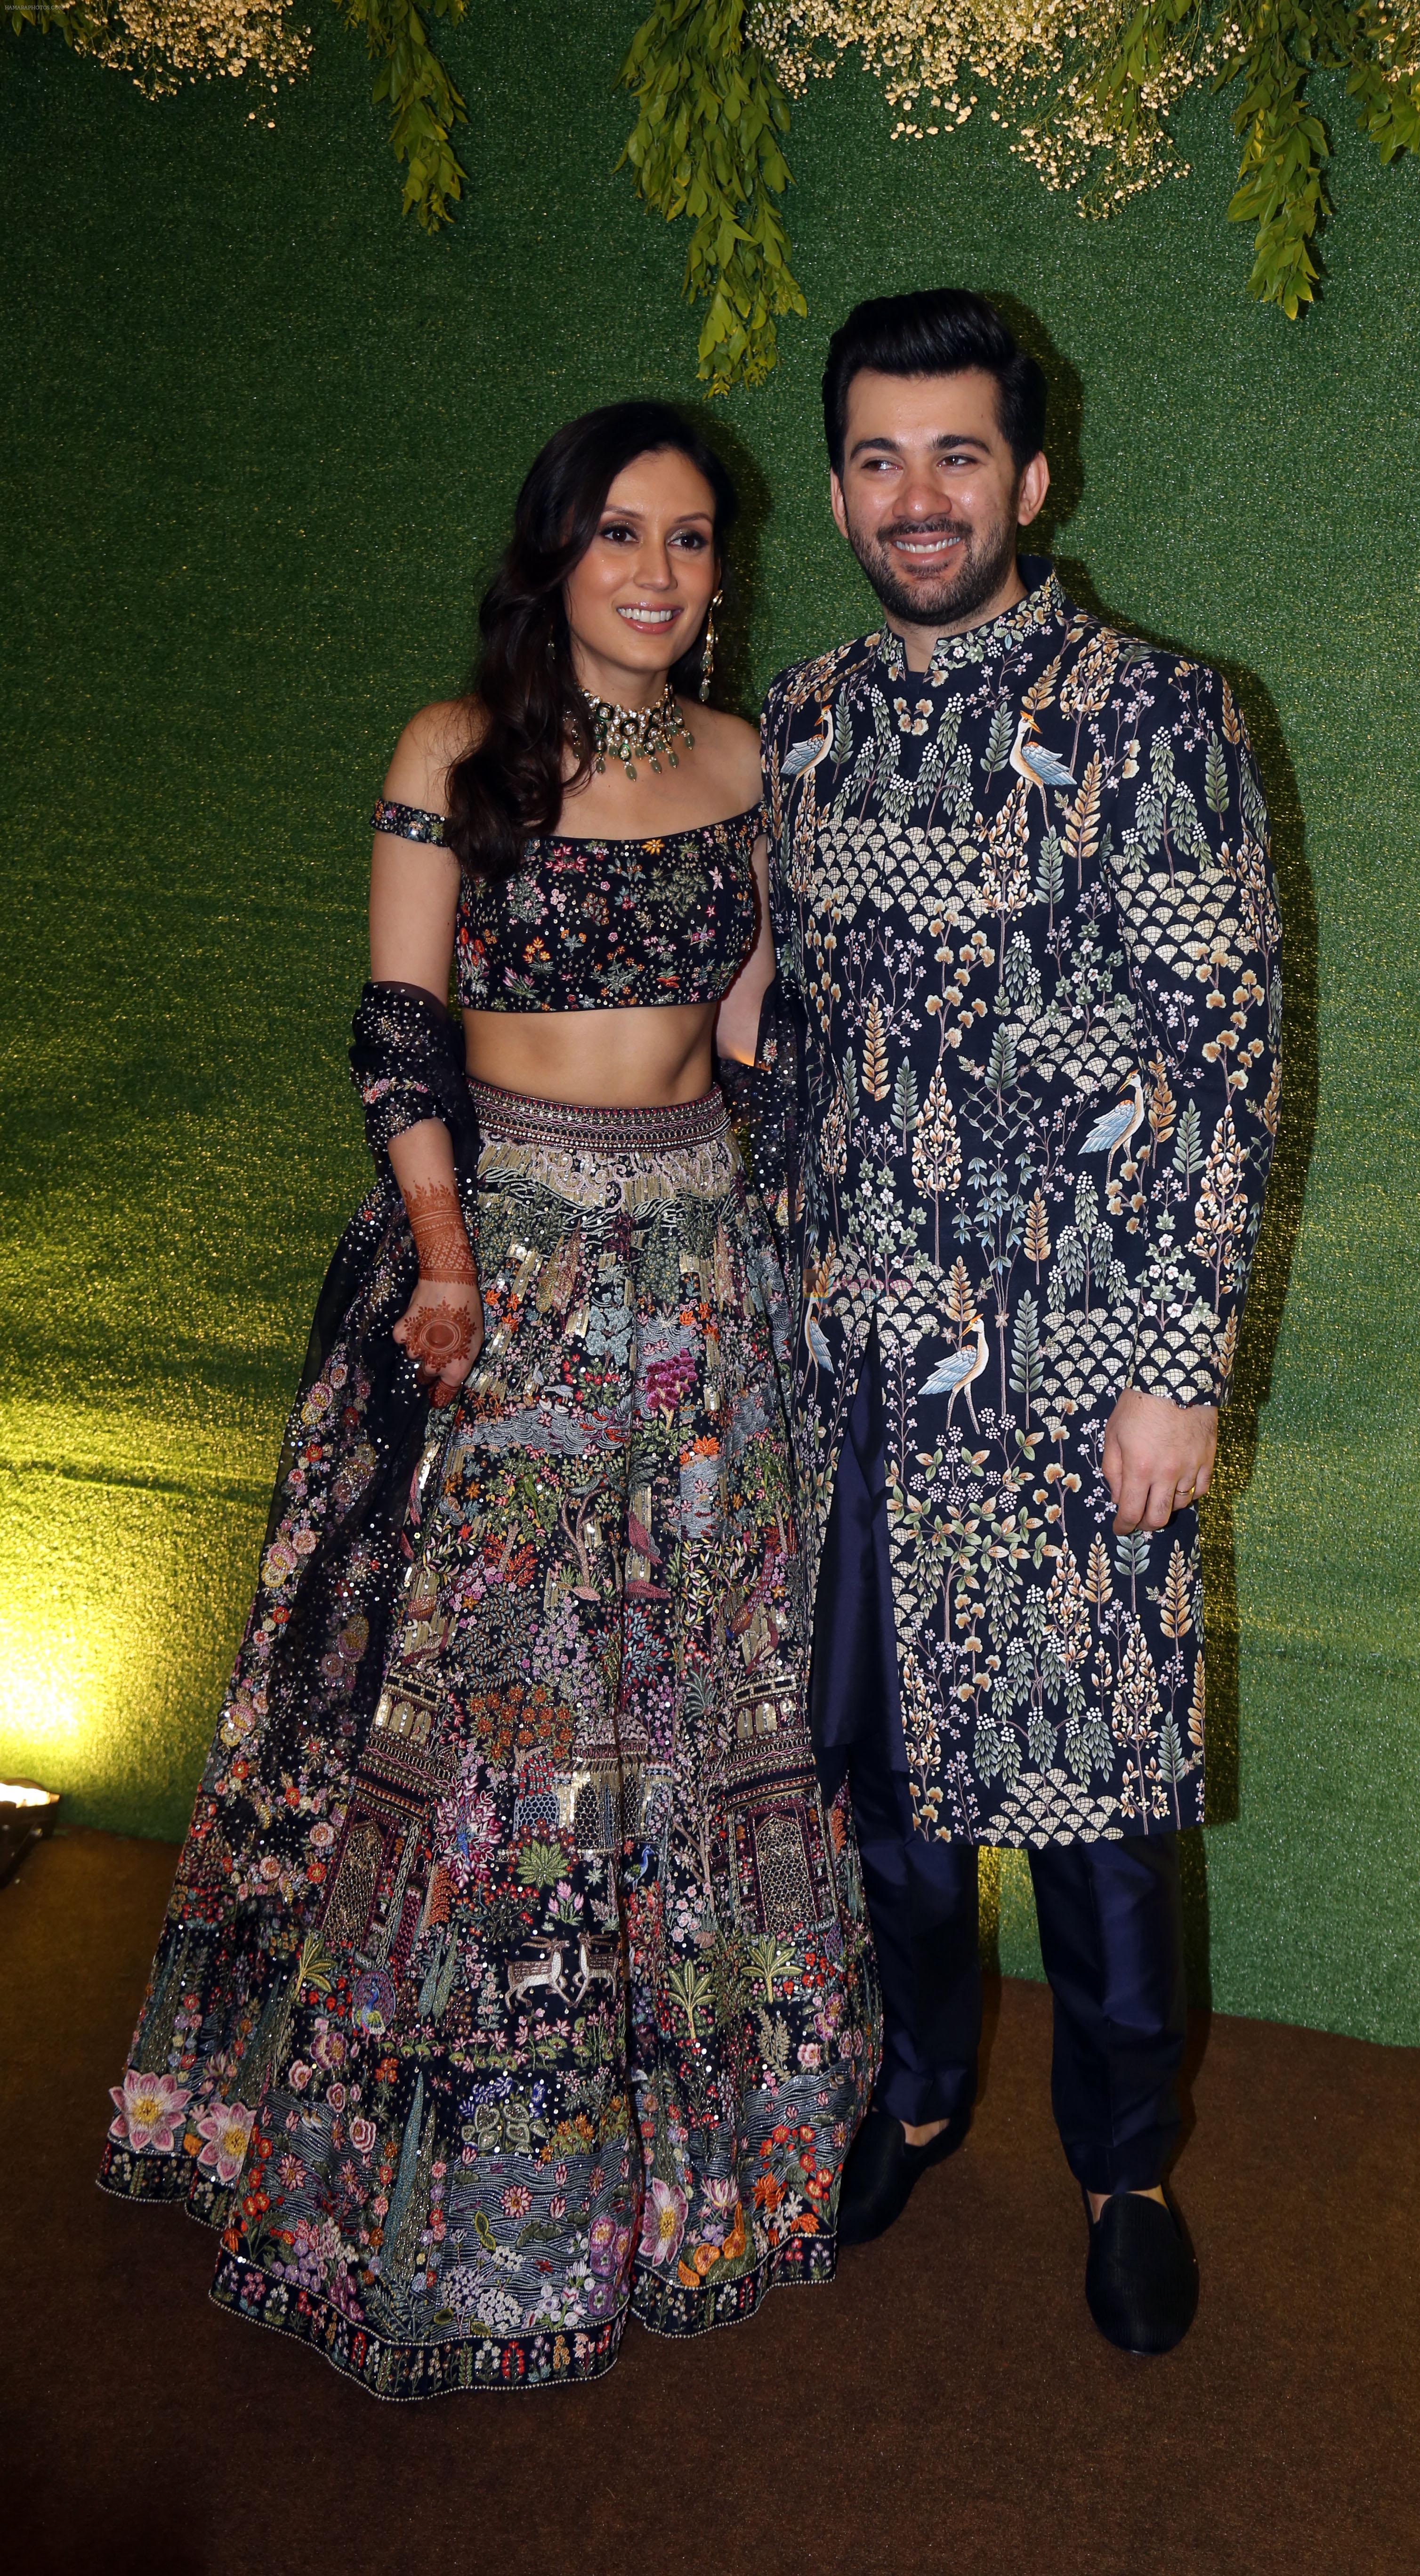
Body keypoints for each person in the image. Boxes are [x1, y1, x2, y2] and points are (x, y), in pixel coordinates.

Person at [98, 402, 879, 2399]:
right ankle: (399, 2191)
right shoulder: (454, 753)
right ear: (554, 555)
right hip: (499, 1273)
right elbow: (395, 1024)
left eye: (695, 541)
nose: (659, 571)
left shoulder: (749, 765)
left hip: (695, 1285)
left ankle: (684, 2182)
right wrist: (446, 1256)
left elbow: (752, 1031)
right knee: (475, 1724)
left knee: (684, 1705)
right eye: (622, 533)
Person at [753, 291, 1281, 2354]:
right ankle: (918, 2087)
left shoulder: (1159, 716)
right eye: (878, 458)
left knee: (1100, 1816)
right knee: (885, 1785)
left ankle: (1124, 2164)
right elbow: (771, 1024)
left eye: (958, 455)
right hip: (848, 1357)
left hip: (1070, 1370)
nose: (918, 498)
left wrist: (1175, 1368)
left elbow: (1214, 1054)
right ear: (838, 485)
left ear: (1033, 478)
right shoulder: (794, 720)